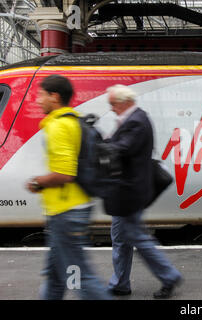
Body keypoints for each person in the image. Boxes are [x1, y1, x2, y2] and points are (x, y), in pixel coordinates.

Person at [25, 75, 111, 300]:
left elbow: (65, 174)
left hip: (67, 212)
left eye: (41, 95)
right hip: (66, 210)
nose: (37, 100)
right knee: (55, 277)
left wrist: (37, 182)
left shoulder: (59, 126)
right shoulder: (73, 121)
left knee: (78, 278)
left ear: (54, 97)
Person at [104, 84, 183, 299]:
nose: (111, 109)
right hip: (126, 192)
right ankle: (120, 282)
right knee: (121, 237)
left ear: (124, 102)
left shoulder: (136, 121)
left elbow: (123, 148)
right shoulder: (131, 119)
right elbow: (117, 143)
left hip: (131, 193)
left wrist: (103, 148)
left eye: (113, 104)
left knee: (135, 237)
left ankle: (169, 275)